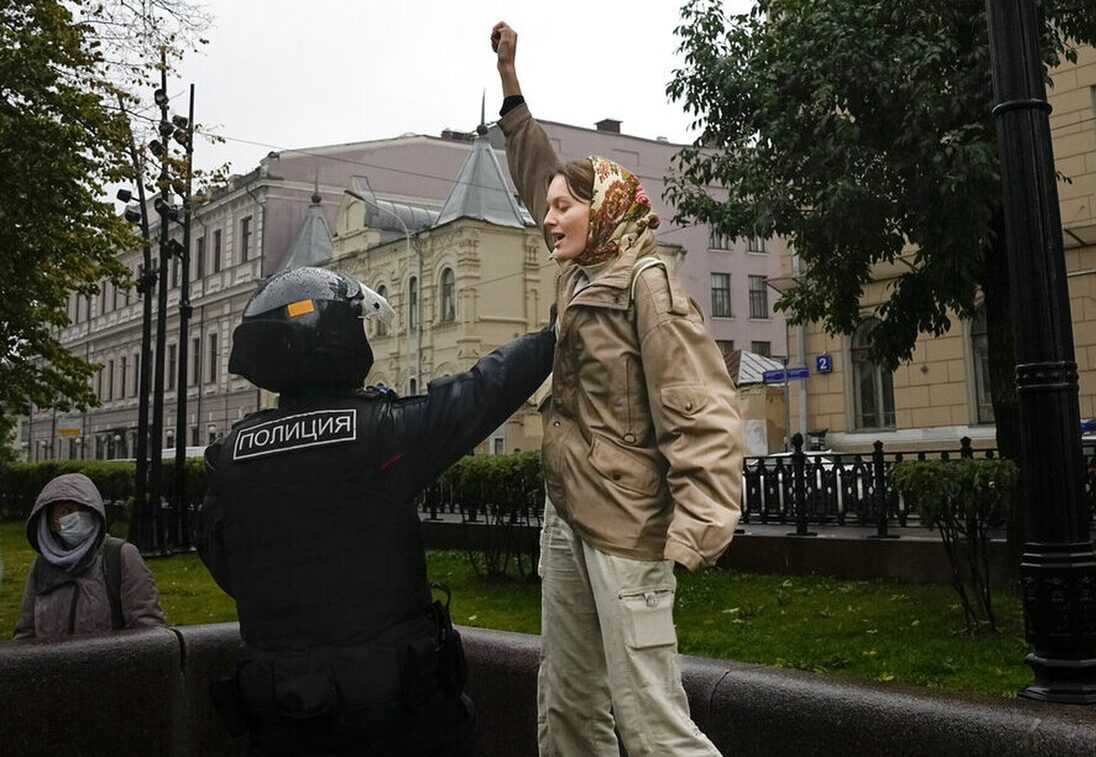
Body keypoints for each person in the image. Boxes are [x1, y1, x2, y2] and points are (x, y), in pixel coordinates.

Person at [492, 22, 743, 757]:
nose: (549, 217)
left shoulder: (645, 282)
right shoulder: (578, 270)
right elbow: (538, 170)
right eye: (549, 208)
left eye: (564, 207)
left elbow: (700, 405)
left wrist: (699, 526)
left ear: (603, 208)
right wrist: (511, 83)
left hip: (629, 529)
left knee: (652, 724)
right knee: (568, 711)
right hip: (566, 516)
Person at [197, 266, 554, 756]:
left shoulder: (231, 454)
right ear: (335, 338)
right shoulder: (378, 433)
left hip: (282, 710)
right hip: (394, 713)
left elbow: (220, 557)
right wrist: (551, 337)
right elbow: (481, 392)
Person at [13, 472, 166, 640]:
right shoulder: (42, 566)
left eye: (84, 509)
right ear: (50, 522)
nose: (77, 517)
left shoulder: (120, 556)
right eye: (66, 510)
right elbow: (26, 636)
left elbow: (148, 632)